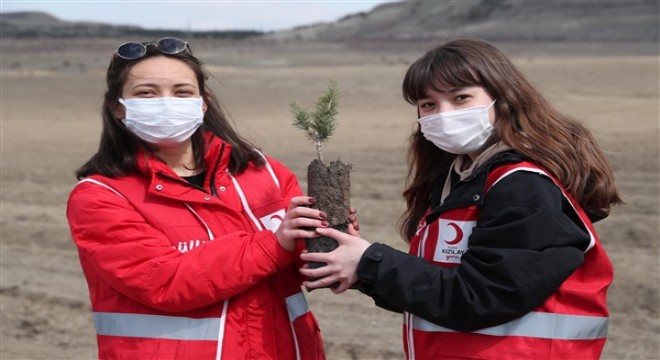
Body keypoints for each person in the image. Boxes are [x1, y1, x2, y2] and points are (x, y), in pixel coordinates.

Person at [299, 37, 622, 359]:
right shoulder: (461, 181)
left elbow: (484, 297)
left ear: (504, 98)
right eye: (428, 105)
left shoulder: (523, 187)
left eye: (461, 98)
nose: (444, 113)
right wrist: (361, 268)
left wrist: (372, 261)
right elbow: (441, 290)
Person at [66, 37, 330, 359]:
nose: (167, 103)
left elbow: (302, 266)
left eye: (182, 92)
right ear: (118, 107)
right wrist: (276, 243)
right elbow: (166, 281)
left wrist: (326, 239)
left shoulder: (263, 172)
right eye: (146, 93)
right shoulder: (100, 197)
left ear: (203, 102)